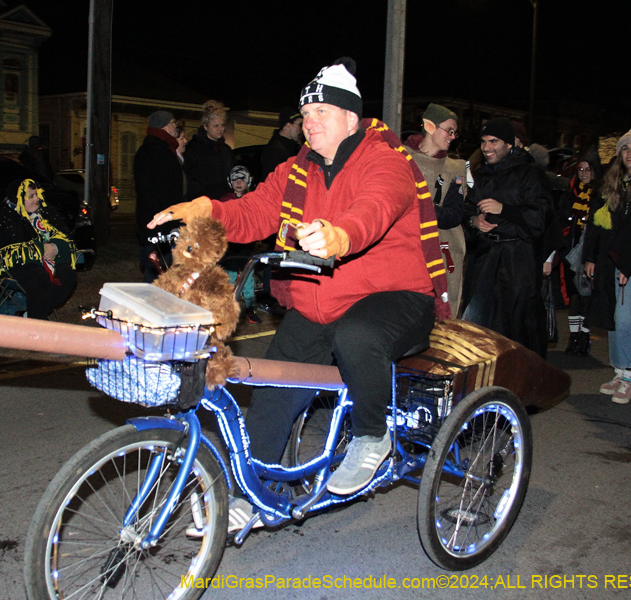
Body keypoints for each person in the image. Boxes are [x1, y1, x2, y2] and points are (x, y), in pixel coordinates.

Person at [149, 57, 449, 505]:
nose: (309, 123)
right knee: (272, 393)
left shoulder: (385, 161)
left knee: (357, 336)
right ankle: (245, 496)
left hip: (393, 298)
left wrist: (339, 235)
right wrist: (203, 210)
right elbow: (253, 211)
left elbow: (376, 206)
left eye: (320, 112)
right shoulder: (296, 171)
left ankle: (372, 437)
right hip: (320, 304)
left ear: (351, 117)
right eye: (305, 115)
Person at [462, 117, 552, 356]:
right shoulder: (480, 174)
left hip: (517, 260)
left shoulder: (529, 173)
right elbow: (467, 209)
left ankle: (522, 382)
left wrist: (505, 209)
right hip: (486, 257)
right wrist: (474, 221)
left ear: (510, 144)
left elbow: (541, 217)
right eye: (483, 142)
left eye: (494, 141)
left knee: (518, 325)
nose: (487, 148)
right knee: (478, 323)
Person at [583, 126, 631, 405]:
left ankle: (629, 377)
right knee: (612, 312)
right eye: (625, 148)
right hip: (609, 259)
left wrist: (627, 262)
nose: (630, 153)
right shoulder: (612, 183)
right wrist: (590, 256)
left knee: (626, 316)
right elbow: (596, 223)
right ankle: (619, 371)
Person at [403, 103, 466, 317]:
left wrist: (418, 208)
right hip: (406, 249)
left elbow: (453, 215)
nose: (452, 136)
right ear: (430, 126)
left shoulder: (455, 169)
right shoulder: (400, 159)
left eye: (454, 132)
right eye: (449, 130)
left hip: (441, 249)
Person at [0, 179, 77, 320]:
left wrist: (56, 247)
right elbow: (8, 250)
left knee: (67, 276)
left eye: (37, 194)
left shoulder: (46, 212)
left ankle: (32, 316)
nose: (37, 199)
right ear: (18, 198)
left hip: (51, 261)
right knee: (39, 279)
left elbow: (67, 238)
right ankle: (38, 321)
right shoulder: (4, 215)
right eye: (31, 196)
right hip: (18, 265)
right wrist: (40, 249)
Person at [548, 149, 603, 355]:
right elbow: (561, 219)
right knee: (574, 294)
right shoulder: (571, 193)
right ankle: (574, 337)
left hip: (590, 252)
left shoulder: (600, 195)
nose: (584, 173)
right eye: (580, 169)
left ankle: (584, 335)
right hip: (571, 251)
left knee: (587, 295)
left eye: (588, 170)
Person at [134, 111, 183, 282]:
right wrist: (173, 216)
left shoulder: (149, 149)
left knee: (157, 267)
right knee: (159, 268)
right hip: (160, 222)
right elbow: (165, 190)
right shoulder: (159, 151)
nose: (176, 127)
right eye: (174, 123)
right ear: (166, 125)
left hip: (152, 220)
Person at [218, 166, 260, 324]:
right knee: (230, 277)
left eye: (242, 179)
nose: (239, 182)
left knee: (248, 277)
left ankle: (250, 308)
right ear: (230, 182)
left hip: (246, 245)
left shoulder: (252, 199)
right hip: (230, 246)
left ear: (248, 181)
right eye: (235, 179)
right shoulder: (225, 200)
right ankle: (228, 309)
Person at [183, 100, 233, 201]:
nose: (220, 129)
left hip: (224, 202)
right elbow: (192, 180)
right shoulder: (194, 149)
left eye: (222, 125)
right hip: (203, 203)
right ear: (205, 126)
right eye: (216, 126)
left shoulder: (225, 150)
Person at [259, 107, 303, 183]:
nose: (302, 129)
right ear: (288, 125)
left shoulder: (291, 147)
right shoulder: (275, 150)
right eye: (300, 125)